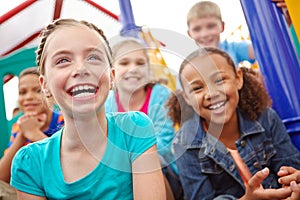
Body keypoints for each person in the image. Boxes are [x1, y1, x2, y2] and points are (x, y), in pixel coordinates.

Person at [10, 18, 166, 199]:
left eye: (93, 57)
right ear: (45, 85)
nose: (81, 68)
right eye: (62, 60)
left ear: (111, 77)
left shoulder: (134, 129)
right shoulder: (30, 163)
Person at [166, 47, 300, 199]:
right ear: (187, 98)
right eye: (197, 88)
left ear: (238, 79)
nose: (211, 93)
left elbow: (291, 165)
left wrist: (291, 181)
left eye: (219, 80)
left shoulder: (265, 117)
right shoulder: (184, 143)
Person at [105, 39, 182, 200]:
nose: (133, 69)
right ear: (112, 72)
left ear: (149, 70)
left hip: (163, 170)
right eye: (124, 63)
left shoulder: (161, 95)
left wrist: (130, 159)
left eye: (140, 63)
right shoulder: (107, 103)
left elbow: (165, 145)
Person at [0, 67, 64, 183]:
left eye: (38, 90)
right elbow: (2, 178)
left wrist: (34, 133)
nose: (28, 97)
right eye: (22, 92)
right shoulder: (19, 126)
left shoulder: (63, 120)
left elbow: (69, 164)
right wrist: (22, 136)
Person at [186, 1, 255, 66]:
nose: (204, 34)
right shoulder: (190, 63)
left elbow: (258, 48)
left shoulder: (232, 48)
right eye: (197, 29)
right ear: (189, 34)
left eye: (210, 26)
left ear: (222, 26)